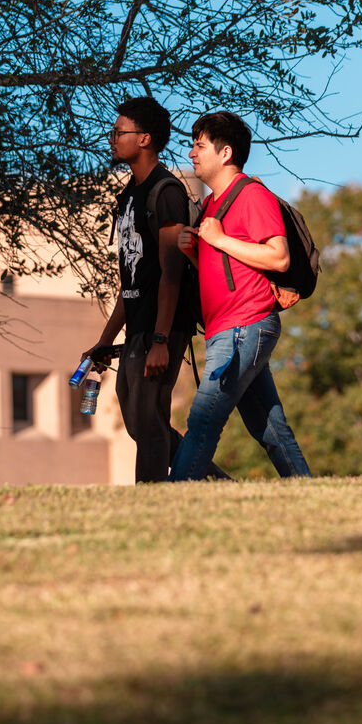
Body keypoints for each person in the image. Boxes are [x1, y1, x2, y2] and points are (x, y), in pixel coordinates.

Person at [168, 111, 312, 481]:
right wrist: (195, 253)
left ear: (226, 152)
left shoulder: (252, 195)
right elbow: (226, 271)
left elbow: (279, 257)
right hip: (227, 328)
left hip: (245, 326)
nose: (191, 154)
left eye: (199, 146)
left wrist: (216, 239)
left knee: (203, 419)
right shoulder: (213, 206)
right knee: (271, 430)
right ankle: (308, 491)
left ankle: (172, 496)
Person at [80, 96, 194, 482]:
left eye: (119, 132)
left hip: (161, 328)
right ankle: (210, 479)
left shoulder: (166, 192)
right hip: (137, 329)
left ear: (144, 139)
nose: (112, 138)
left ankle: (152, 498)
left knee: (149, 422)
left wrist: (161, 337)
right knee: (138, 421)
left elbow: (171, 273)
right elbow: (130, 281)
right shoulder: (129, 195)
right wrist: (103, 342)